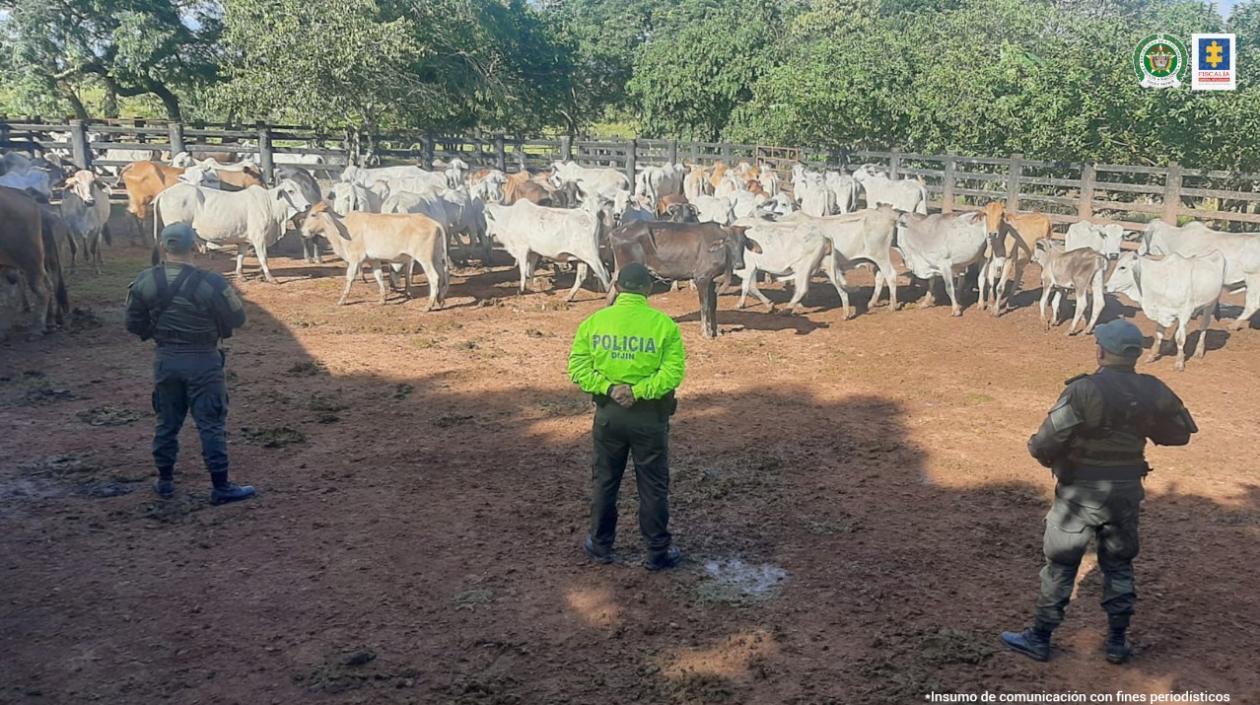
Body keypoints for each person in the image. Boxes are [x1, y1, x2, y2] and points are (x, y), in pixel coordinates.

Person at [1002, 319, 1197, 664]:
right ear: (1135, 354)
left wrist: (1044, 452)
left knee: (1061, 564)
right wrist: (1143, 424)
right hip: (1126, 490)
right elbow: (1181, 433)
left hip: (1080, 492)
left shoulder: (1083, 390)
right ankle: (1118, 643)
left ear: (1102, 351)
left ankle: (1041, 637)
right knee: (1119, 565)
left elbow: (1044, 443)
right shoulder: (1153, 388)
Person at [567, 263, 686, 570]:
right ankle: (658, 551)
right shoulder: (664, 325)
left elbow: (578, 369)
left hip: (608, 415)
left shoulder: (594, 323)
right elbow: (672, 374)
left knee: (606, 481)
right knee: (653, 484)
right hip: (650, 418)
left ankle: (601, 544)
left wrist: (608, 387)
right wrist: (641, 390)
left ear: (617, 288)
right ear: (648, 290)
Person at [125, 223, 254, 505]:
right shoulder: (213, 283)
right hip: (203, 360)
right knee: (210, 422)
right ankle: (220, 486)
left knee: (166, 422)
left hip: (166, 359)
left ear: (162, 246)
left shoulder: (145, 280)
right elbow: (237, 320)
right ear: (195, 247)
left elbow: (133, 323)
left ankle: (165, 481)